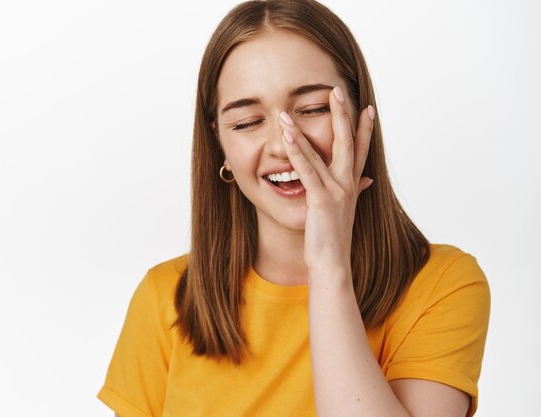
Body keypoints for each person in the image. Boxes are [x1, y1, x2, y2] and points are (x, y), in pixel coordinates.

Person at [97, 0, 491, 416]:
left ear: (359, 115)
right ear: (221, 145)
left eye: (313, 109)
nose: (286, 146)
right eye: (247, 122)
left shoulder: (443, 286)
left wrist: (327, 265)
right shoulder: (166, 298)